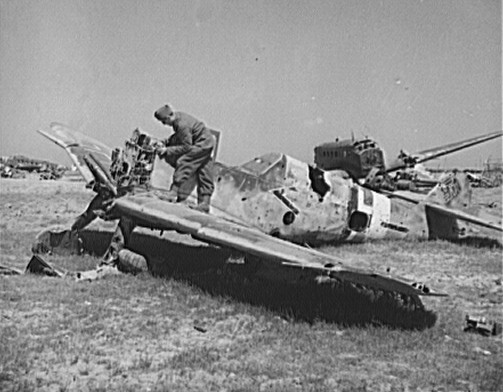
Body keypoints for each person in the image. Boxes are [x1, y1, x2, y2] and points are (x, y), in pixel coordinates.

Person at [153, 104, 215, 212]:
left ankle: (173, 193)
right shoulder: (179, 118)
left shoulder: (182, 124)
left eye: (163, 121)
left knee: (184, 162)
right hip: (206, 142)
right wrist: (165, 142)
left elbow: (186, 147)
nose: (164, 124)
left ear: (168, 118)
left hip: (202, 143)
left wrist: (167, 151)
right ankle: (205, 204)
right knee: (204, 171)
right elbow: (179, 136)